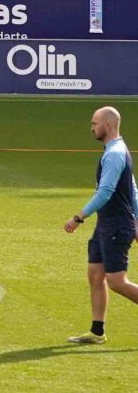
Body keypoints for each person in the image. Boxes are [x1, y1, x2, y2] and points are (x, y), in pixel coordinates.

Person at [65, 105, 138, 344]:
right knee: (95, 274)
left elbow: (105, 192)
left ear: (107, 125)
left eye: (94, 124)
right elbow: (133, 192)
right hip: (107, 224)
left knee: (117, 282)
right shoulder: (116, 150)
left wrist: (78, 217)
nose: (91, 128)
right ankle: (97, 331)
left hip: (116, 225)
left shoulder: (114, 154)